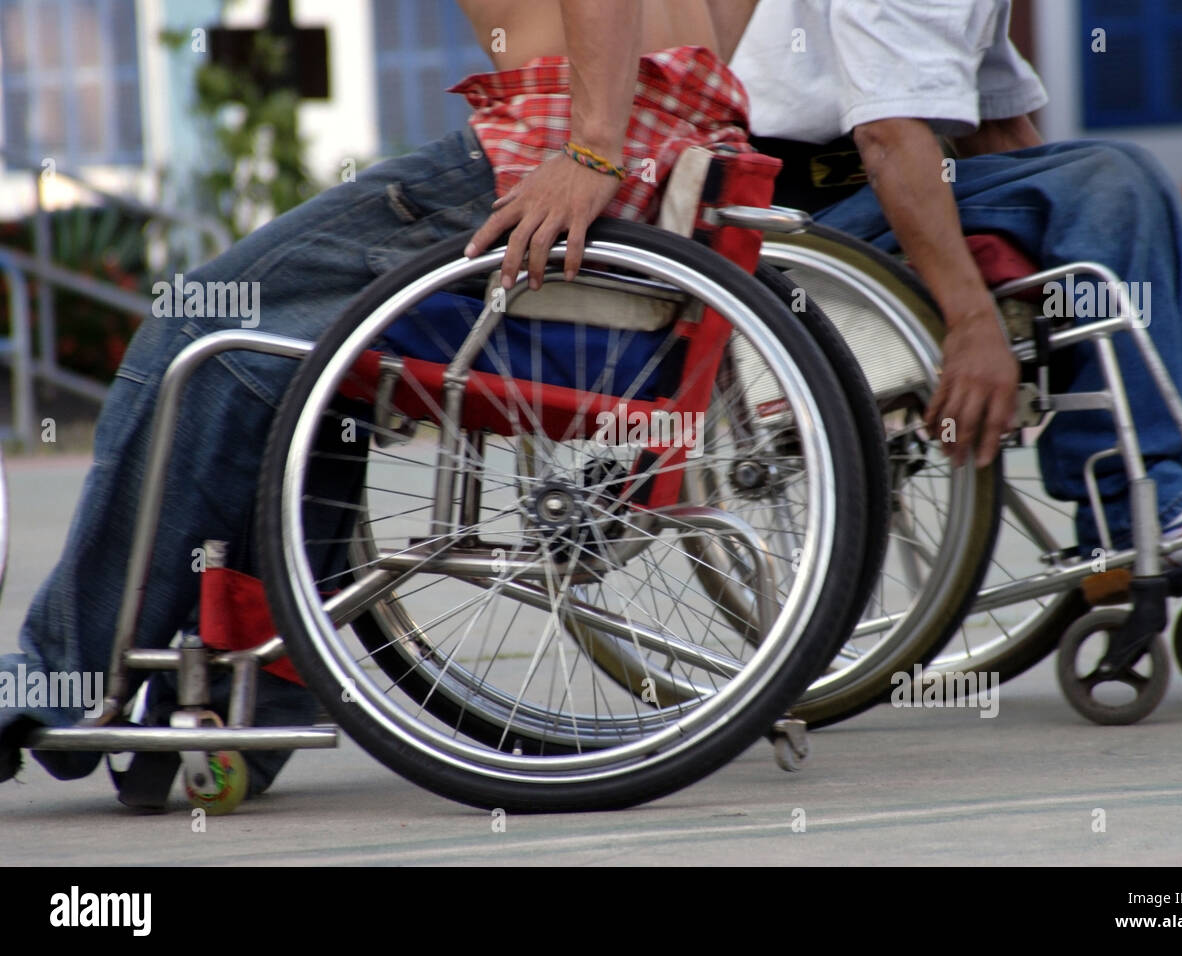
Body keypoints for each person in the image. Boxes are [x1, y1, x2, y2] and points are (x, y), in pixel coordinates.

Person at [0, 0, 757, 790]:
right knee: (298, 366)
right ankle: (241, 703)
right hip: (677, 139)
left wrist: (596, 147)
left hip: (551, 145)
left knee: (197, 326)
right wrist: (664, 109)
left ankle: (61, 676)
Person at [728, 0, 1182, 566]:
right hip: (807, 206)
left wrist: (1109, 240)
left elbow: (997, 129)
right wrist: (971, 322)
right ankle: (1140, 498)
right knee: (1119, 178)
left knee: (1120, 184)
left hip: (867, 181)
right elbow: (887, 136)